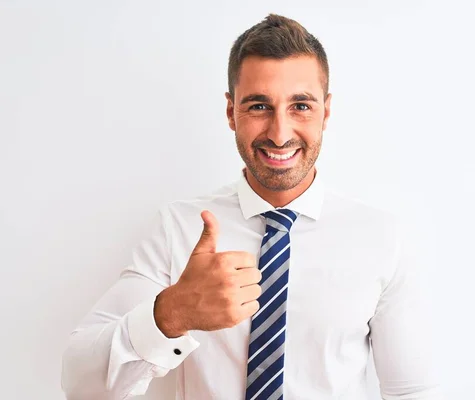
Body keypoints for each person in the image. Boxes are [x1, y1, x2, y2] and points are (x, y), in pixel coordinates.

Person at [61, 14, 443, 400]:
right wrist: (171, 314)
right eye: (259, 106)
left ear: (326, 112)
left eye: (301, 106)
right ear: (231, 112)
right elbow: (81, 385)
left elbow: (413, 391)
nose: (279, 134)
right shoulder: (178, 228)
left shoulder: (382, 238)